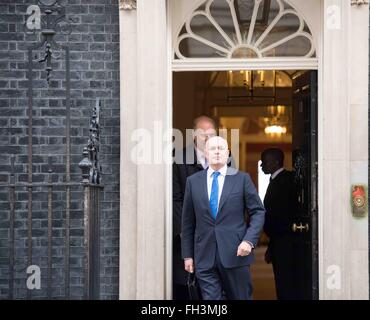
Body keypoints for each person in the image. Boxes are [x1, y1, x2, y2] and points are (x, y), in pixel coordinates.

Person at [181, 136, 265, 300]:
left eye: (221, 148)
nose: (217, 152)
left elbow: (258, 212)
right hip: (204, 256)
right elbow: (188, 222)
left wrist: (249, 241)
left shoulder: (242, 179)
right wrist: (188, 255)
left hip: (236, 254)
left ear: (227, 153)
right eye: (213, 148)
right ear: (206, 153)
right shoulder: (193, 182)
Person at [172, 116, 217, 300]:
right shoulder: (179, 159)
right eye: (201, 133)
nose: (206, 138)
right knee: (189, 288)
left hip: (216, 236)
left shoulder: (225, 159)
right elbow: (175, 199)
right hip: (189, 236)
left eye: (211, 134)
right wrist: (186, 231)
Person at [261, 148, 299, 300]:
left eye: (264, 162)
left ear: (276, 162)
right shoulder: (276, 180)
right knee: (282, 284)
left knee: (286, 285)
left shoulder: (285, 181)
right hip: (279, 242)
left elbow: (282, 215)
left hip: (286, 243)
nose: (261, 165)